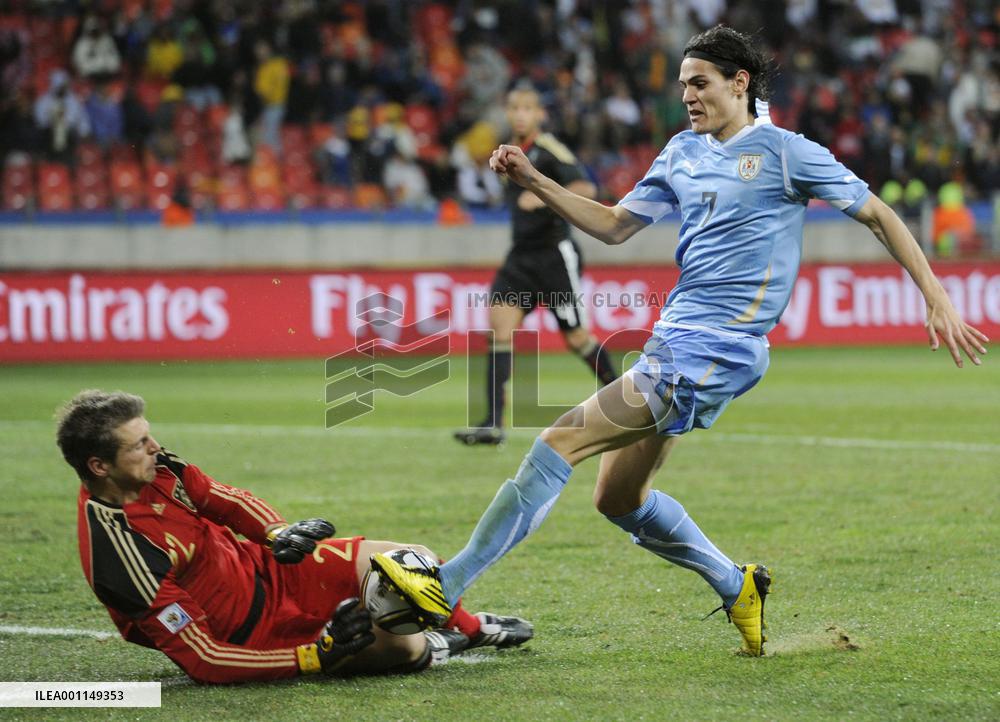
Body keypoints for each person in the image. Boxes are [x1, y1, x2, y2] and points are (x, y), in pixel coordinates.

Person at [371, 26, 989, 657]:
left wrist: (936, 296)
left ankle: (446, 585)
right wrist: (536, 180)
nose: (687, 97)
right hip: (675, 340)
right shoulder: (682, 152)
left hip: (717, 349)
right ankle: (736, 584)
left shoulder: (784, 152)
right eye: (682, 86)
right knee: (618, 498)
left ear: (738, 83)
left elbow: (879, 213)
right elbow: (613, 226)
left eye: (699, 83)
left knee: (558, 438)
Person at [57, 390, 531, 684]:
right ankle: (441, 644)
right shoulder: (119, 554)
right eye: (139, 444)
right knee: (403, 646)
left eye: (149, 436)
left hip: (273, 572)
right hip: (250, 633)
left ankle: (469, 626)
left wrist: (278, 532)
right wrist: (313, 657)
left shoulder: (159, 469)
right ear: (100, 467)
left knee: (411, 560)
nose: (155, 447)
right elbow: (205, 659)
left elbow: (227, 500)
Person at [453, 85, 618, 446]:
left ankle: (626, 402)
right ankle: (492, 424)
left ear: (539, 114)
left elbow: (586, 187)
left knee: (577, 339)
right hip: (521, 258)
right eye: (515, 108)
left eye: (528, 108)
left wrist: (542, 196)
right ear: (508, 113)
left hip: (554, 255)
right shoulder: (508, 152)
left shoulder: (549, 150)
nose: (521, 115)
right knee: (499, 328)